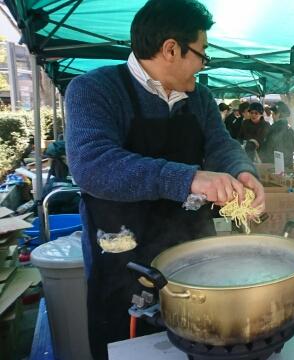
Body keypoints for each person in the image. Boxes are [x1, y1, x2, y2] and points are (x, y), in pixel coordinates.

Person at [64, 1, 265, 358]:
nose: (204, 64)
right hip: (122, 254)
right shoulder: (93, 90)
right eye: (202, 54)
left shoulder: (200, 98)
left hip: (191, 252)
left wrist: (241, 171)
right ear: (171, 48)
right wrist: (190, 179)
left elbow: (221, 144)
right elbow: (92, 164)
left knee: (199, 341)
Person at [259, 101, 294, 168]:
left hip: (273, 167)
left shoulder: (273, 129)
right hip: (287, 167)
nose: (272, 115)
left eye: (273, 113)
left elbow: (267, 148)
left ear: (278, 114)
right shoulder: (290, 129)